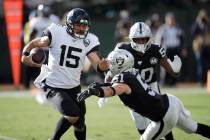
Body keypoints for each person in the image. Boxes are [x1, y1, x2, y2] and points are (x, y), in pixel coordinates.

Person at [77, 49, 210, 140]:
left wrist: (98, 91)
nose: (108, 65)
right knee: (193, 127)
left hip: (163, 115)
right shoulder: (132, 72)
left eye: (111, 63)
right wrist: (101, 86)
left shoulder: (122, 79)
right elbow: (120, 86)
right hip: (170, 101)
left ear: (118, 64)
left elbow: (115, 90)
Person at [21, 8, 109, 140]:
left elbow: (97, 63)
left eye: (84, 25)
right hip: (53, 85)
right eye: (78, 25)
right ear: (69, 24)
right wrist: (25, 54)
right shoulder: (57, 32)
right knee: (73, 114)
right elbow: (36, 42)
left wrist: (102, 66)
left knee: (80, 124)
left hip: (74, 88)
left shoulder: (89, 40)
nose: (81, 28)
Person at [99, 22, 181, 140]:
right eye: (138, 39)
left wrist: (175, 69)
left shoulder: (156, 50)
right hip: (132, 89)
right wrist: (105, 90)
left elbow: (169, 67)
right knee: (140, 122)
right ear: (132, 39)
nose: (142, 42)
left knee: (161, 116)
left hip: (151, 84)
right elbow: (112, 71)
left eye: (144, 39)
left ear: (149, 38)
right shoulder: (122, 49)